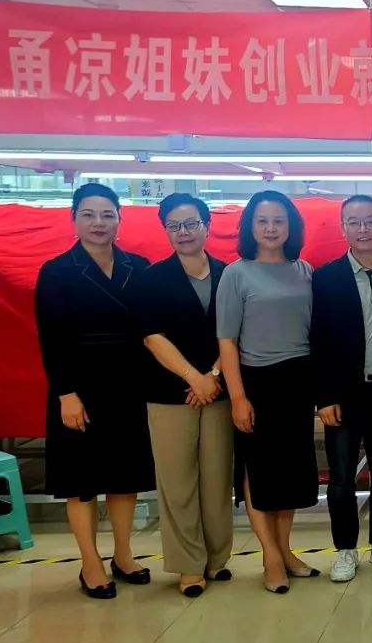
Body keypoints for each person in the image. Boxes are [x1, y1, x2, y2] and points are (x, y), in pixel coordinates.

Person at [34, 183, 154, 599]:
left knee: (124, 476)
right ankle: (90, 563)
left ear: (120, 218)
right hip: (79, 387)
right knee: (81, 480)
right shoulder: (57, 270)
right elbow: (51, 338)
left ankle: (123, 554)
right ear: (73, 219)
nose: (98, 222)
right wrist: (65, 393)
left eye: (107, 214)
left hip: (129, 384)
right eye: (88, 214)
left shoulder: (139, 267)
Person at [216, 190, 319, 594]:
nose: (271, 228)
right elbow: (227, 341)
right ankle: (269, 556)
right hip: (257, 382)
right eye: (262, 221)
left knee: (290, 472)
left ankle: (286, 549)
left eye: (279, 220)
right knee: (259, 470)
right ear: (250, 227)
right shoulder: (236, 274)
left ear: (290, 226)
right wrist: (238, 397)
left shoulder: (304, 270)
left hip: (299, 381)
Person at [135, 193, 233, 597]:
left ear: (207, 226)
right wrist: (195, 377)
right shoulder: (152, 278)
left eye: (191, 223)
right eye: (174, 226)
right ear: (165, 230)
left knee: (216, 479)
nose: (184, 232)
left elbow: (238, 332)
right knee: (177, 482)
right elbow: (152, 336)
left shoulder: (230, 274)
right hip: (168, 392)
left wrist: (213, 376)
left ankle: (216, 558)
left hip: (220, 389)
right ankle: (188, 566)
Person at [311, 195, 372, 581]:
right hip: (344, 393)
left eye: (370, 221)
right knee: (340, 477)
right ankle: (345, 549)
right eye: (354, 222)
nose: (363, 228)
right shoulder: (325, 278)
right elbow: (316, 340)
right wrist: (323, 397)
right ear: (343, 228)